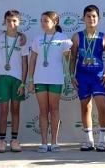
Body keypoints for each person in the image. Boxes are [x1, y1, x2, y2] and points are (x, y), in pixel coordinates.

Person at [27, 11, 73, 153]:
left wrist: (69, 65)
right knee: (43, 111)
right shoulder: (37, 39)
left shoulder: (63, 38)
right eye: (41, 21)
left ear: (55, 22)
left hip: (56, 79)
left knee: (54, 110)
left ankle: (54, 142)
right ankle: (43, 142)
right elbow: (33, 60)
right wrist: (30, 79)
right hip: (40, 79)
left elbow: (69, 60)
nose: (43, 23)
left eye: (46, 21)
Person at [70, 4, 105, 151]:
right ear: (83, 18)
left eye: (94, 16)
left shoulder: (103, 37)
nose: (91, 19)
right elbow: (73, 57)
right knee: (85, 107)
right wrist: (71, 74)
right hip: (82, 77)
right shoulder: (77, 37)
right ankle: (88, 140)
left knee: (102, 107)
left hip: (98, 78)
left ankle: (102, 140)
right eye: (88, 16)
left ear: (98, 19)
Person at [0, 10, 29, 153]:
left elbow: (25, 63)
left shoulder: (22, 40)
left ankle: (14, 140)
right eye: (8, 20)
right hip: (3, 78)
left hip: (17, 79)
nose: (11, 23)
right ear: (4, 21)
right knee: (3, 110)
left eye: (14, 21)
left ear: (19, 22)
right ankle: (1, 141)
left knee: (15, 109)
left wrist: (23, 83)